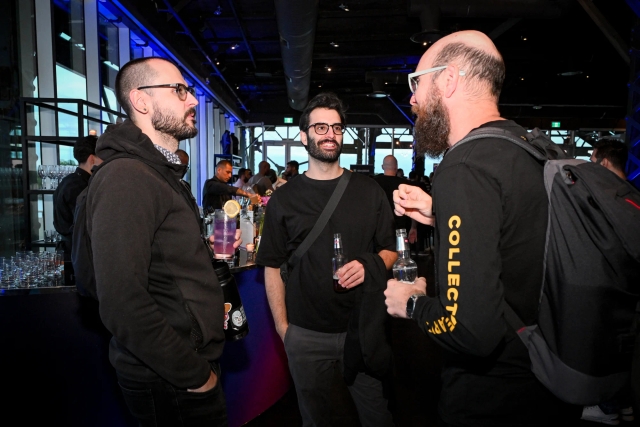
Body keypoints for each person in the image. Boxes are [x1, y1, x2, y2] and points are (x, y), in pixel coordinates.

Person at [384, 30, 579, 426]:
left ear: (449, 79)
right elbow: (520, 233)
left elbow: (470, 330)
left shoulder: (465, 165)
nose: (413, 98)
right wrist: (443, 214)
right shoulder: (529, 148)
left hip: (495, 399)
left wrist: (412, 302)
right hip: (550, 383)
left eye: (417, 83)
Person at [87, 56, 239, 426]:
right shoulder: (128, 176)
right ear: (141, 101)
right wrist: (193, 374)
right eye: (180, 90)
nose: (193, 101)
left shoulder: (157, 171)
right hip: (169, 377)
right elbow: (122, 301)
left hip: (179, 367)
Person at [256, 92, 397, 427]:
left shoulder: (369, 190)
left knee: (378, 417)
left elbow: (390, 250)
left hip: (363, 330)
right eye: (320, 127)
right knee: (318, 419)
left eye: (336, 127)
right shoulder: (284, 199)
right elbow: (272, 265)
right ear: (304, 136)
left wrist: (369, 264)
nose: (329, 134)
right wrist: (283, 329)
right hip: (306, 333)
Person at [581, 138, 635, 425]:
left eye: (592, 159)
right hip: (630, 289)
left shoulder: (606, 197)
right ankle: (624, 403)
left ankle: (607, 406)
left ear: (602, 163)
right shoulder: (632, 195)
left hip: (610, 286)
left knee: (605, 346)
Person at [53, 134, 102, 282]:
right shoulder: (81, 187)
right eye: (102, 157)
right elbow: (86, 227)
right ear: (92, 159)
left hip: (68, 253)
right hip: (78, 256)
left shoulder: (66, 181)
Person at [372, 155, 417, 244]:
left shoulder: (373, 184)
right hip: (401, 227)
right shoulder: (406, 185)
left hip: (377, 228)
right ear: (396, 167)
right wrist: (414, 227)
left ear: (382, 167)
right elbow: (414, 207)